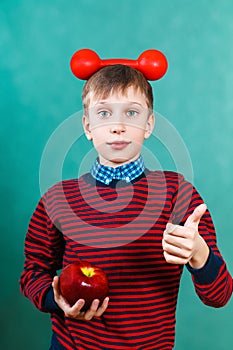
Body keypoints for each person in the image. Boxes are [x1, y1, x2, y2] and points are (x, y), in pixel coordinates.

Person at [20, 63, 233, 350]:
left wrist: (198, 252)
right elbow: (34, 271)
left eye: (131, 113)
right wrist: (54, 299)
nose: (118, 126)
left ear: (148, 125)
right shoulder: (57, 199)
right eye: (104, 113)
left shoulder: (178, 194)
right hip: (70, 344)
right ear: (88, 127)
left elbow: (219, 296)